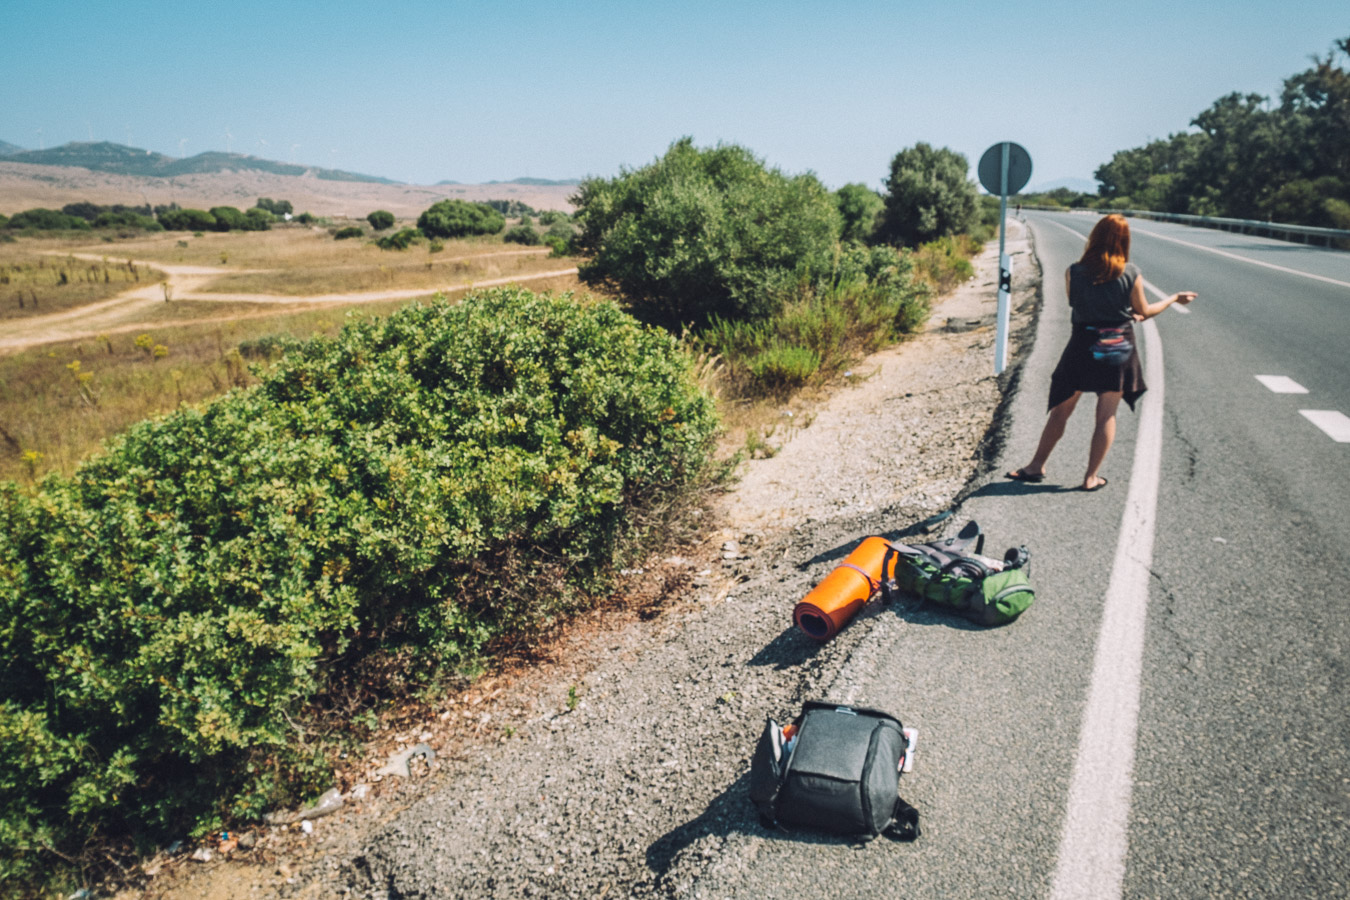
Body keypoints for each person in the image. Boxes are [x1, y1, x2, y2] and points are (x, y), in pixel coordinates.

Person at [1007, 214, 1195, 491]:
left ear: (1094, 237)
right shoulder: (1130, 273)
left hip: (1083, 346)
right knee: (1106, 415)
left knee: (1061, 411)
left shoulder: (1074, 271)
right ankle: (1090, 478)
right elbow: (1144, 311)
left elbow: (1076, 303)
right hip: (1117, 347)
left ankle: (1036, 466)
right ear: (1124, 241)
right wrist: (1173, 299)